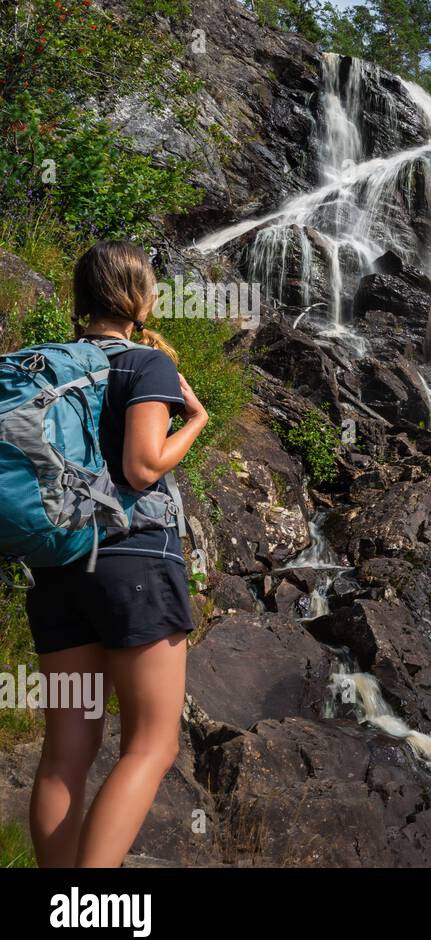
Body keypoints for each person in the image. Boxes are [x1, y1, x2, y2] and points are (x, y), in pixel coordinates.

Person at [26, 240, 208, 867]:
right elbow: (142, 465)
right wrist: (195, 422)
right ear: (139, 296)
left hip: (55, 569)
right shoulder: (144, 363)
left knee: (63, 757)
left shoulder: (50, 365)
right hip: (133, 561)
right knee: (151, 746)